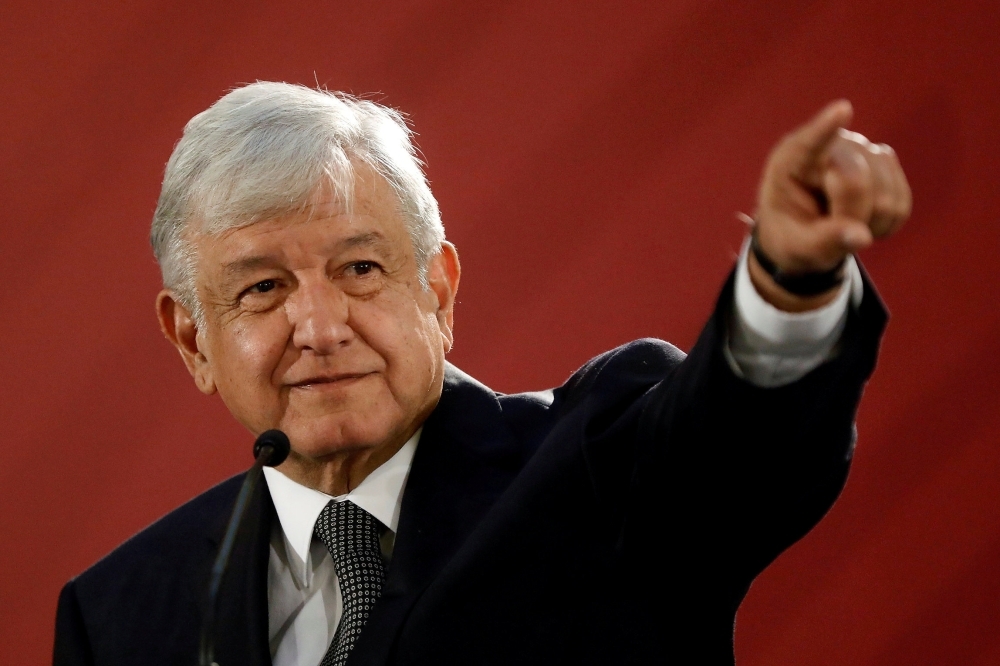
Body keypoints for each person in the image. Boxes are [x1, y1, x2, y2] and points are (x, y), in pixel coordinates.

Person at [53, 82, 910, 666]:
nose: (318, 328)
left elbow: (738, 445)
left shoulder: (598, 472)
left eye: (360, 270)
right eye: (263, 288)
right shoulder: (121, 614)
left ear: (438, 289)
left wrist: (791, 283)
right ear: (192, 340)